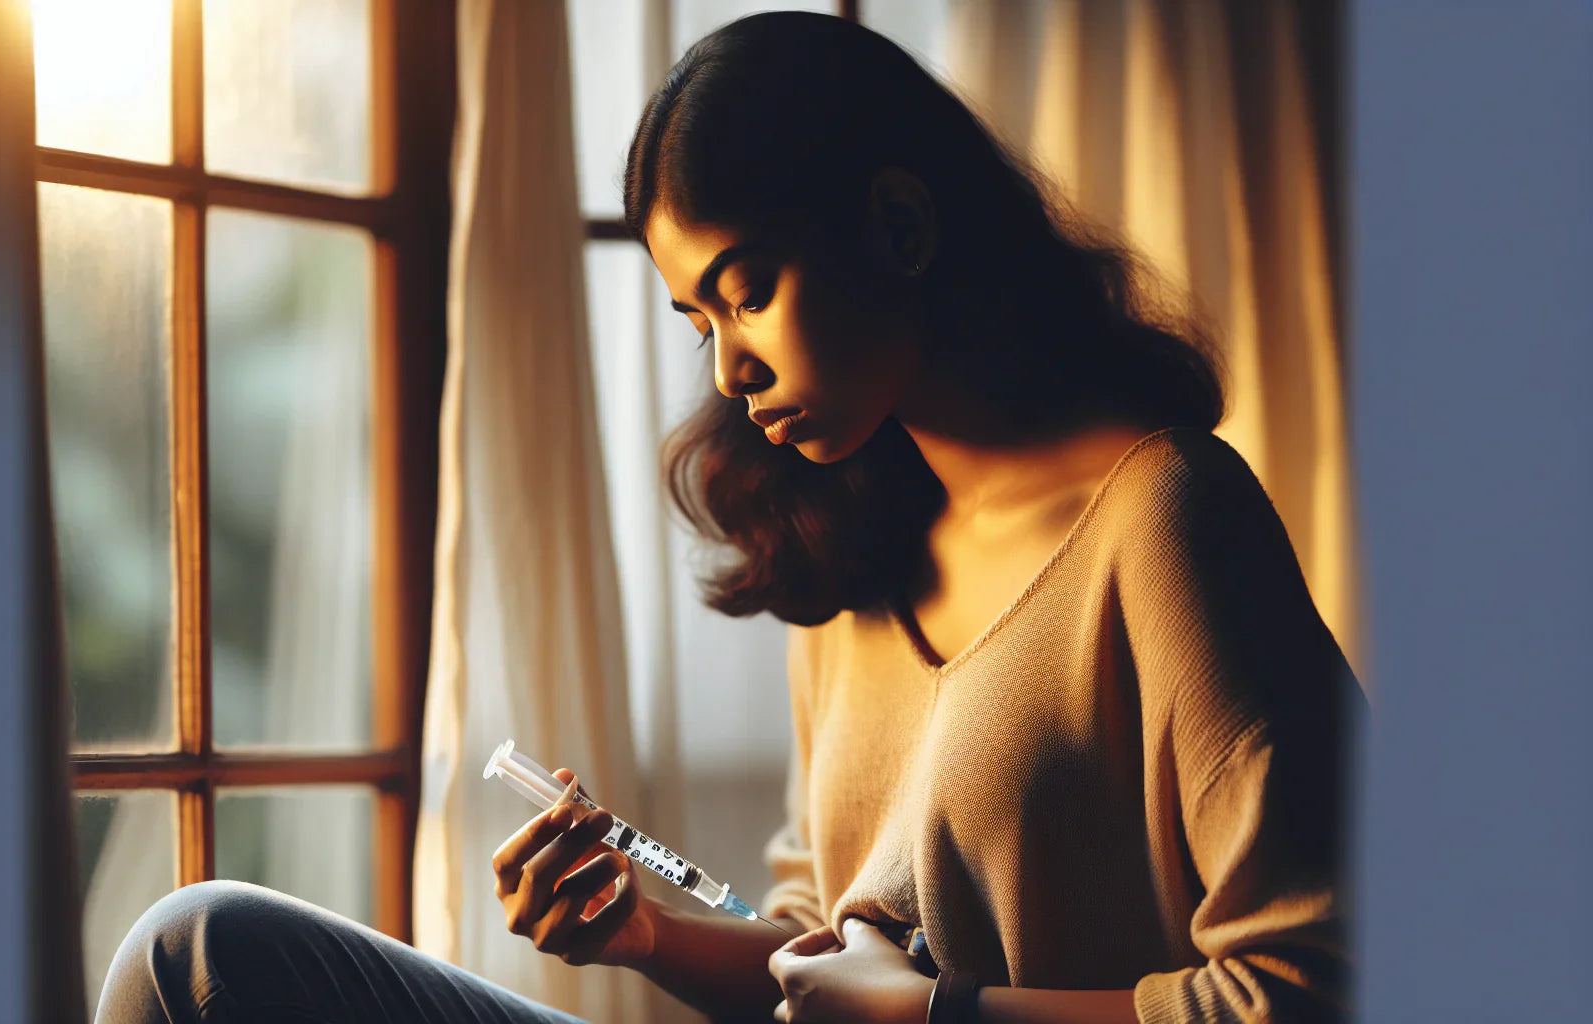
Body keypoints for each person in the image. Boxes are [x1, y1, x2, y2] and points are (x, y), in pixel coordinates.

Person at [98, 11, 1361, 1024]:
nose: (726, 372)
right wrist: (643, 936)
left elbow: (1324, 983)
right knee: (199, 953)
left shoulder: (1166, 520)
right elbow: (815, 962)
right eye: (697, 323)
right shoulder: (855, 542)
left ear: (900, 227)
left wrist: (946, 1014)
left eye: (745, 294)